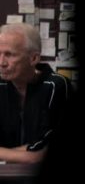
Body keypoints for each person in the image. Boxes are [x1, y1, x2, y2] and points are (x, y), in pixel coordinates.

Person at [0, 23, 70, 164]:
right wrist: (20, 154)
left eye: (9, 54)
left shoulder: (55, 86)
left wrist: (6, 153)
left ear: (33, 59)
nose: (2, 63)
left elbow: (42, 152)